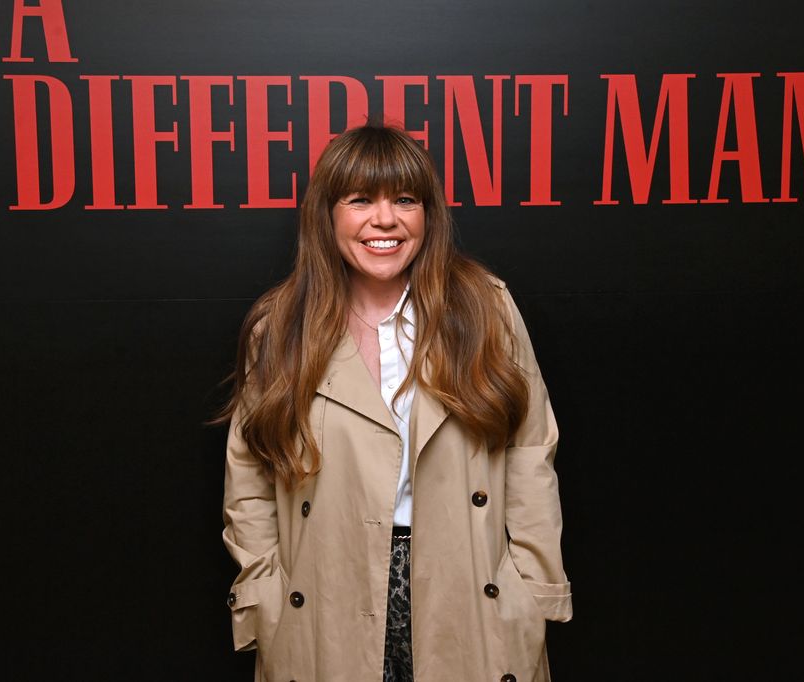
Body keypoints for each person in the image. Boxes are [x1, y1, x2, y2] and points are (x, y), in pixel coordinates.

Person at [210, 123, 572, 682]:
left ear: (428, 214)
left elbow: (530, 450)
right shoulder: (281, 327)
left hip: (466, 587)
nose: (386, 220)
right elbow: (250, 474)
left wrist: (529, 584)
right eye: (360, 200)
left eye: (405, 200)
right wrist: (264, 591)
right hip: (328, 592)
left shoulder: (483, 309)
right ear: (327, 215)